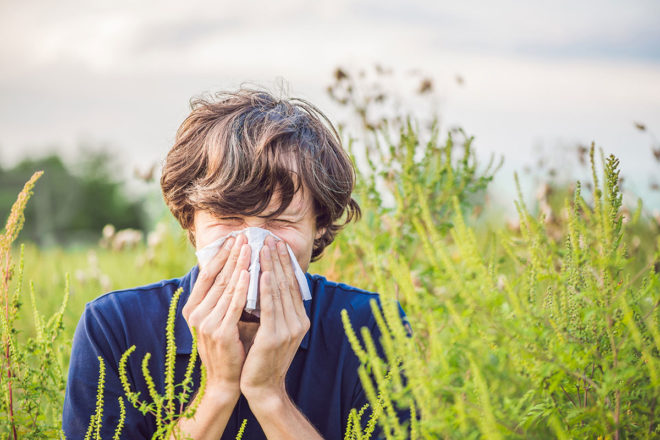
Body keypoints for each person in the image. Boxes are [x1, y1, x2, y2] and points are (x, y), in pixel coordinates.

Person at [62, 88, 408, 439]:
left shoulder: (373, 329)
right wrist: (218, 390)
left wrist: (270, 395)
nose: (252, 246)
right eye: (228, 218)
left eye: (280, 222)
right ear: (190, 221)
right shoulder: (114, 327)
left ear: (318, 227)